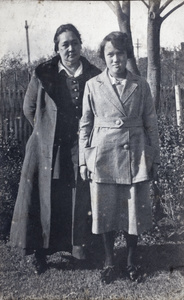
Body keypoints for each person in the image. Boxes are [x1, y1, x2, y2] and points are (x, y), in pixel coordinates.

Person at [10, 24, 100, 274]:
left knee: (74, 198)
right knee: (42, 199)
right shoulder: (43, 73)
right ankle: (39, 254)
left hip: (78, 148)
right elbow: (29, 109)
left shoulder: (94, 75)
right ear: (57, 48)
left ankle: (78, 250)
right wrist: (46, 132)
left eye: (74, 43)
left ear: (81, 44)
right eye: (65, 45)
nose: (70, 49)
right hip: (43, 149)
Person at [79, 31, 160, 284]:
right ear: (104, 57)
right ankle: (109, 261)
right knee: (105, 211)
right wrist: (84, 160)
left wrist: (154, 157)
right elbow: (85, 125)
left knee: (132, 211)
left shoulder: (141, 84)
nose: (115, 59)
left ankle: (132, 261)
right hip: (103, 156)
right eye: (110, 54)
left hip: (134, 154)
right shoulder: (93, 85)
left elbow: (151, 123)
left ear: (127, 55)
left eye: (120, 53)